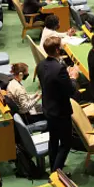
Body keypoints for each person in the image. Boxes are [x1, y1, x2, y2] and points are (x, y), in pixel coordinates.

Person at [37, 36, 79, 172]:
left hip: (48, 109)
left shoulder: (41, 65)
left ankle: (54, 168)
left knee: (53, 140)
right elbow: (71, 91)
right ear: (57, 49)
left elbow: (52, 84)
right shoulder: (60, 69)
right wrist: (73, 77)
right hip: (60, 112)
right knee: (66, 143)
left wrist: (65, 77)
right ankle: (56, 173)